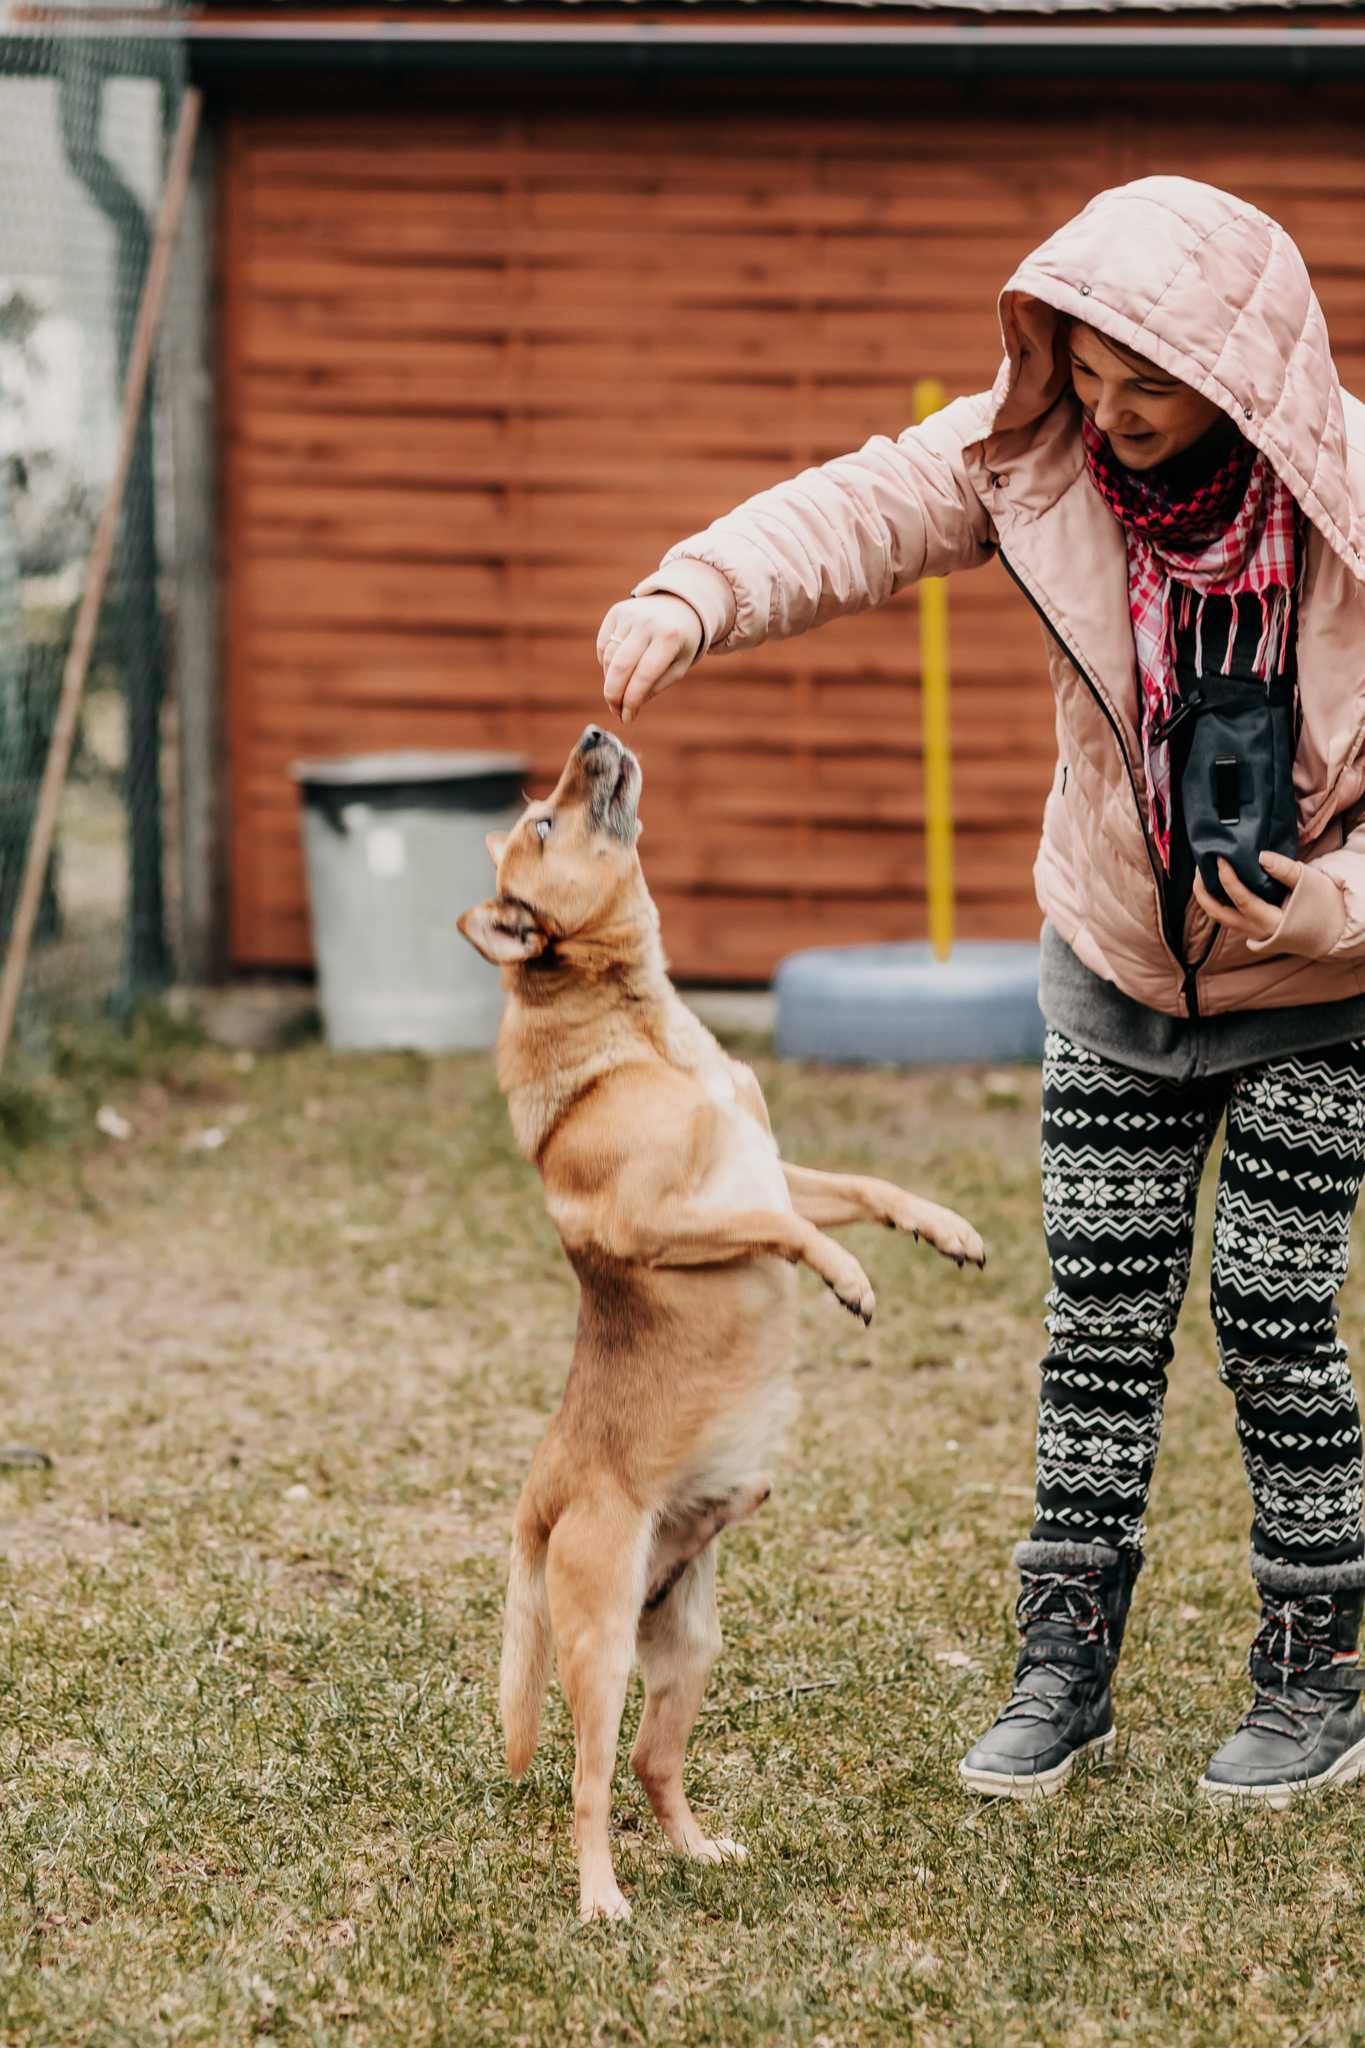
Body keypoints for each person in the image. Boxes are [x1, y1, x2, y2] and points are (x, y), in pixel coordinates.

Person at [594, 176, 1365, 1804]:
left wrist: (1340, 908)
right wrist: (692, 592)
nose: (1111, 411)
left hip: (1326, 986)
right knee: (1096, 1320)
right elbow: (859, 509)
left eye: (1144, 381)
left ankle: (1318, 1669)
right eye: (1085, 372)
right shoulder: (1040, 465)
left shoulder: (1350, 506)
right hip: (1112, 960)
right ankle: (1061, 1667)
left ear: (1236, 370)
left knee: (1274, 1313)